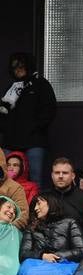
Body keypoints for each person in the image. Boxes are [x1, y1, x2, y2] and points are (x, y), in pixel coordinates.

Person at [1, 51, 57, 181]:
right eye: (14, 67)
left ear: (28, 66)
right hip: (10, 142)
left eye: (21, 66)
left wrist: (34, 127)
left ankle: (35, 202)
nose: (18, 69)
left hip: (34, 141)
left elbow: (49, 110)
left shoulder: (41, 84)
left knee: (35, 178)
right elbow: (2, 113)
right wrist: (6, 129)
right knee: (7, 179)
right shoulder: (11, 88)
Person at [21, 192, 83, 264]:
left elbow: (81, 251)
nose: (35, 208)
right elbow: (23, 254)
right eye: (34, 206)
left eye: (39, 203)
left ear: (50, 203)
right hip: (37, 265)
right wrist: (42, 256)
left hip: (64, 265)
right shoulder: (31, 228)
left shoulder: (70, 223)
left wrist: (56, 256)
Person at [42, 158, 83, 228]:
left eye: (65, 173)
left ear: (73, 176)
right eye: (57, 173)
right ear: (52, 175)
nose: (60, 176)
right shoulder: (42, 197)